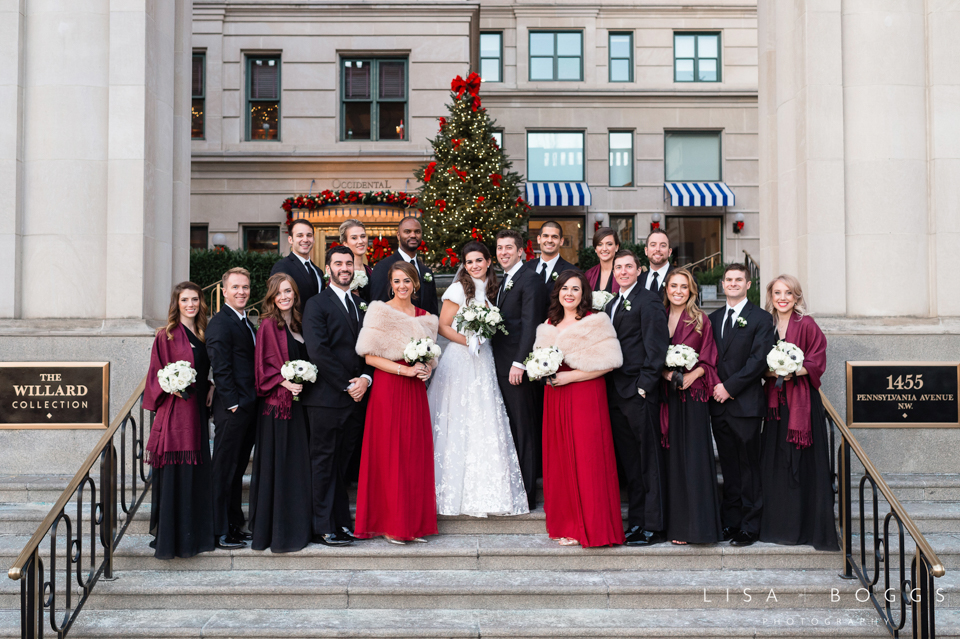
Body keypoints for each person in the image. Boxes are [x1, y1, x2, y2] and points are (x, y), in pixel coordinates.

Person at [428, 241, 528, 517]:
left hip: (485, 360)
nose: (474, 266)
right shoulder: (459, 288)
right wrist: (468, 340)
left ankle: (486, 490)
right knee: (459, 418)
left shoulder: (495, 289)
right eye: (469, 261)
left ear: (488, 262)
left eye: (479, 261)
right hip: (461, 359)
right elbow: (443, 325)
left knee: (485, 418)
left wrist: (482, 339)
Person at [535, 270, 624, 547]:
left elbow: (610, 362)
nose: (569, 294)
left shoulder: (595, 322)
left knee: (587, 458)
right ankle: (567, 524)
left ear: (584, 294)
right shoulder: (548, 325)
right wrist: (542, 372)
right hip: (556, 398)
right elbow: (539, 361)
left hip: (585, 395)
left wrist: (569, 376)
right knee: (560, 459)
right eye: (564, 288)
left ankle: (591, 526)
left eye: (575, 289)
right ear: (557, 293)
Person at [354, 261, 439, 544]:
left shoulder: (426, 317)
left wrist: (426, 368)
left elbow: (430, 356)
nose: (402, 286)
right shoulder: (379, 311)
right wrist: (405, 370)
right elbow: (369, 357)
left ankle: (412, 523)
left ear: (415, 284)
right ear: (391, 284)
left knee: (413, 454)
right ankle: (391, 524)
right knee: (390, 455)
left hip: (415, 392)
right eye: (397, 281)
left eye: (407, 281)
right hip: (390, 389)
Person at [760, 275, 839, 551]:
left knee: (802, 466)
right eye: (778, 293)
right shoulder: (765, 324)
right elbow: (757, 362)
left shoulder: (806, 324)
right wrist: (772, 370)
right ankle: (778, 527)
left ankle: (806, 528)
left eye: (789, 293)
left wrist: (792, 369)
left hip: (802, 405)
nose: (783, 298)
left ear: (797, 297)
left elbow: (817, 359)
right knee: (777, 464)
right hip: (775, 406)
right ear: (771, 296)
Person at [301, 246, 373, 546]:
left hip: (355, 400)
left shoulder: (359, 304)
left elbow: (368, 346)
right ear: (327, 268)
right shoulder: (316, 304)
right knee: (323, 463)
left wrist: (366, 379)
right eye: (338, 263)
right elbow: (319, 351)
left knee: (342, 467)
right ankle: (322, 526)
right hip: (327, 400)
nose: (344, 268)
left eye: (348, 263)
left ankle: (341, 522)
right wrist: (348, 384)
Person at [143, 282, 215, 560]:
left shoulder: (203, 333)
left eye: (195, 299)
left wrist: (210, 386)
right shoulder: (167, 336)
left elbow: (202, 369)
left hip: (196, 411)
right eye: (184, 300)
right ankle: (175, 538)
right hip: (176, 414)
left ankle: (194, 533)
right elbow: (154, 374)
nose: (190, 304)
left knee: (196, 470)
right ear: (177, 303)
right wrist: (169, 384)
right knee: (178, 471)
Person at [603, 250, 669, 546]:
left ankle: (654, 526)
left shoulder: (649, 300)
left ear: (638, 270)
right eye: (619, 267)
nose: (623, 271)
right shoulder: (611, 304)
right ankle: (638, 521)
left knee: (649, 460)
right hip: (615, 393)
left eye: (629, 266)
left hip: (639, 392)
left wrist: (645, 384)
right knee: (631, 463)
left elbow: (657, 346)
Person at [709, 264, 775, 547]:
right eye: (729, 280)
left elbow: (758, 361)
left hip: (746, 404)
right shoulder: (712, 318)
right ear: (723, 284)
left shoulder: (761, 318)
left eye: (739, 280)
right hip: (719, 405)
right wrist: (716, 387)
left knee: (749, 467)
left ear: (748, 285)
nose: (733, 283)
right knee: (730, 469)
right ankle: (731, 522)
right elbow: (708, 358)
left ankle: (750, 526)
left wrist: (729, 388)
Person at [248, 273, 312, 553]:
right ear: (272, 297)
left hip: (300, 406)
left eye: (289, 291)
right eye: (280, 293)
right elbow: (261, 368)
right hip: (277, 408)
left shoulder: (299, 323)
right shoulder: (267, 326)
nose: (285, 296)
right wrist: (284, 382)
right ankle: (275, 532)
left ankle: (297, 526)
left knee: (296, 468)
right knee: (279, 466)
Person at [660, 269, 722, 545]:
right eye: (673, 286)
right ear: (666, 288)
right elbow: (649, 355)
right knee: (670, 460)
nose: (678, 291)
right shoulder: (656, 316)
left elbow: (709, 360)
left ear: (691, 291)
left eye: (683, 287)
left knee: (694, 458)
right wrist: (668, 375)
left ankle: (697, 527)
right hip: (664, 395)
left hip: (694, 395)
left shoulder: (700, 320)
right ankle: (675, 527)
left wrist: (691, 375)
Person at [491, 229, 548, 510]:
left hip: (516, 369)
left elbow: (531, 324)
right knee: (512, 427)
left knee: (525, 429)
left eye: (508, 248)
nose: (503, 252)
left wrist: (519, 363)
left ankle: (527, 494)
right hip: (501, 365)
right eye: (500, 248)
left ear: (521, 251)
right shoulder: (506, 280)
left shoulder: (531, 279)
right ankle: (515, 487)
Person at [206, 267, 258, 550]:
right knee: (223, 471)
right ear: (224, 291)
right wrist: (234, 403)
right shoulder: (220, 322)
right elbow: (220, 367)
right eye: (236, 287)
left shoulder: (245, 321)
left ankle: (233, 524)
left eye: (246, 287)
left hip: (248, 407)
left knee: (237, 470)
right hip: (233, 409)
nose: (241, 292)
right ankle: (219, 530)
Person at [369, 216, 439, 315]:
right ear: (398, 235)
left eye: (417, 232)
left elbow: (433, 311)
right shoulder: (383, 267)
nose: (413, 235)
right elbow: (378, 308)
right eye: (407, 232)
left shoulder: (426, 271)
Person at [270, 218, 325, 311]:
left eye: (309, 235)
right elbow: (276, 301)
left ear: (313, 239)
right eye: (300, 235)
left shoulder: (318, 271)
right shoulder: (282, 267)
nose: (305, 239)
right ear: (290, 239)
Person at [521, 221, 576, 289]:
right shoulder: (525, 268)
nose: (549, 240)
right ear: (539, 239)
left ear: (561, 241)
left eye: (554, 237)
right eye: (545, 236)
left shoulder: (572, 271)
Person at [340, 218, 373, 303]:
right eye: (354, 238)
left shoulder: (370, 271)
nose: (360, 241)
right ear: (345, 243)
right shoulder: (341, 272)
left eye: (363, 236)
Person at [584, 227, 621, 294]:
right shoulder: (589, 275)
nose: (604, 249)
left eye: (609, 244)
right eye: (600, 244)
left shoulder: (624, 273)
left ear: (616, 247)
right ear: (595, 249)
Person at [639, 230, 673, 299]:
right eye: (653, 245)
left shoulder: (684, 279)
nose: (657, 249)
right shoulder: (637, 280)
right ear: (646, 251)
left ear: (669, 252)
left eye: (663, 245)